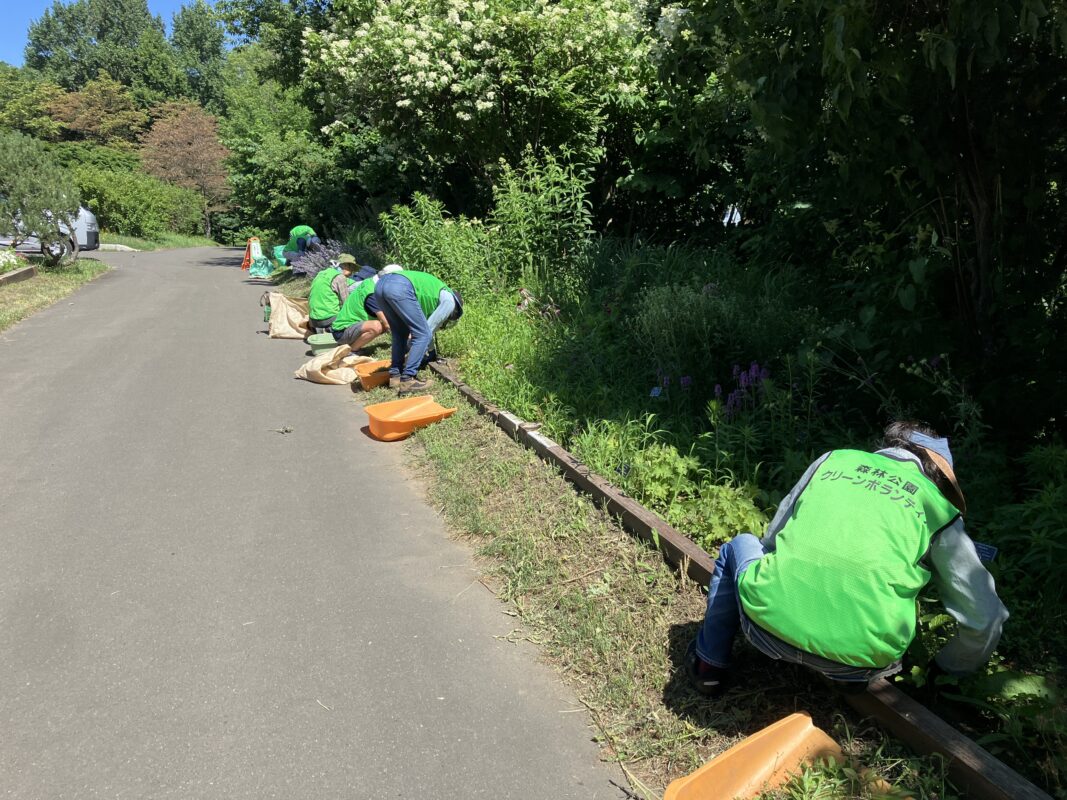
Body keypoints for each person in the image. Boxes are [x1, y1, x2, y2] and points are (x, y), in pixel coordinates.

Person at [687, 421, 1009, 696]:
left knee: (740, 544)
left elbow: (772, 540)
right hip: (860, 666)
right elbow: (987, 617)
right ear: (937, 475)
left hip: (766, 629)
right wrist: (942, 671)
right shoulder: (939, 509)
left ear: (888, 446)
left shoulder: (833, 461)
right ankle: (846, 680)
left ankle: (708, 666)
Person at [373, 268, 463, 394]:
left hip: (380, 286)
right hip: (399, 286)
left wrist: (430, 351)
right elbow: (428, 331)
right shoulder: (450, 302)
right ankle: (408, 379)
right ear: (456, 310)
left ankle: (395, 376)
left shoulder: (433, 295)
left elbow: (427, 326)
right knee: (422, 334)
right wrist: (425, 351)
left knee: (400, 332)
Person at [329, 264, 403, 352]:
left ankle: (352, 344)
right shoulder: (372, 293)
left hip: (347, 327)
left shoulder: (370, 282)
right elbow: (387, 324)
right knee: (378, 326)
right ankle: (353, 350)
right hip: (342, 331)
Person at [308, 254, 359, 333]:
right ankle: (333, 329)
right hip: (328, 318)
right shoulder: (340, 277)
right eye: (352, 269)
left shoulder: (321, 273)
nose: (352, 273)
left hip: (313, 320)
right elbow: (346, 303)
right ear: (346, 265)